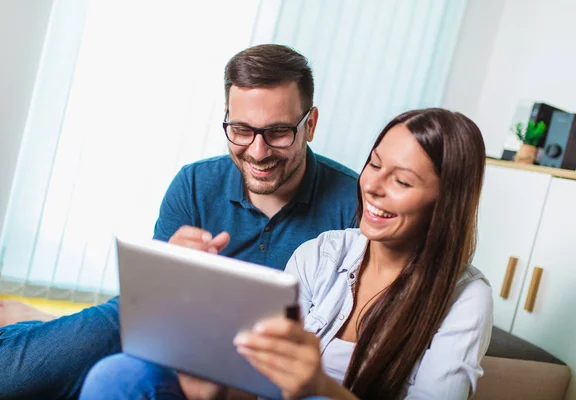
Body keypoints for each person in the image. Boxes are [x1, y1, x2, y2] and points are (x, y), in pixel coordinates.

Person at [0, 44, 358, 400]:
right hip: (186, 349)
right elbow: (153, 321)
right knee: (111, 340)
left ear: (309, 124)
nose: (258, 151)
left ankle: (35, 321)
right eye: (241, 129)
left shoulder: (353, 206)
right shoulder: (194, 183)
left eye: (278, 132)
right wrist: (169, 271)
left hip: (273, 369)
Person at [79, 108, 494, 400]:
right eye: (373, 164)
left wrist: (318, 385)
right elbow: (260, 383)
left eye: (401, 181)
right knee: (119, 373)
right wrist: (212, 381)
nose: (372, 186)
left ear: (445, 202)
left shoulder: (465, 298)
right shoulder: (322, 253)